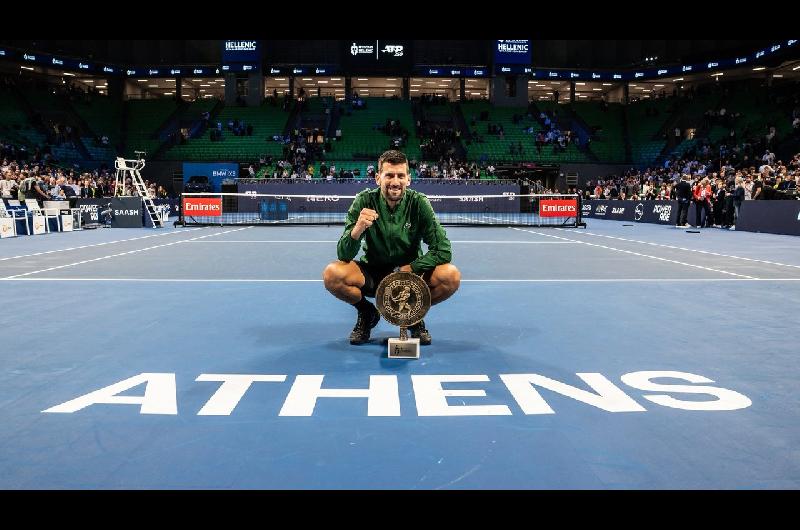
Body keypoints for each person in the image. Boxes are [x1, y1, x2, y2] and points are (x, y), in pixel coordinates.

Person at [322, 149, 461, 346]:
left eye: (400, 176)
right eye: (389, 175)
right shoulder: (364, 201)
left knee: (450, 276)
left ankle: (414, 315)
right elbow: (343, 254)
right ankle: (367, 313)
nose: (395, 181)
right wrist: (358, 229)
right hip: (374, 273)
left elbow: (443, 250)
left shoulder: (419, 203)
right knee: (333, 274)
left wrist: (411, 268)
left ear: (408, 179)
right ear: (378, 178)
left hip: (411, 275)